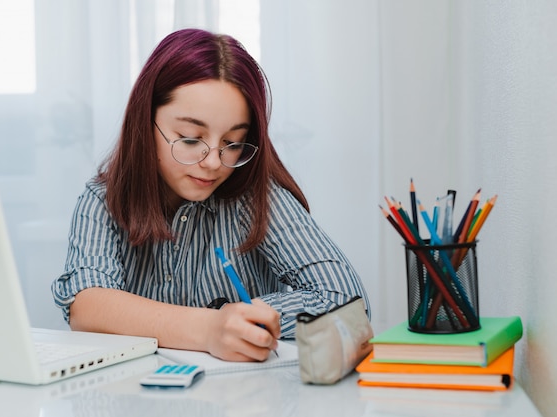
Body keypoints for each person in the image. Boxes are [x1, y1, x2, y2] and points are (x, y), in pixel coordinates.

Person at [51, 28, 369, 362]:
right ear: (145, 123)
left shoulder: (256, 197)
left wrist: (240, 318)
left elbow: (347, 300)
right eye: (190, 138)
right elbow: (86, 306)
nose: (214, 163)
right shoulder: (103, 201)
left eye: (232, 143)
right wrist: (210, 327)